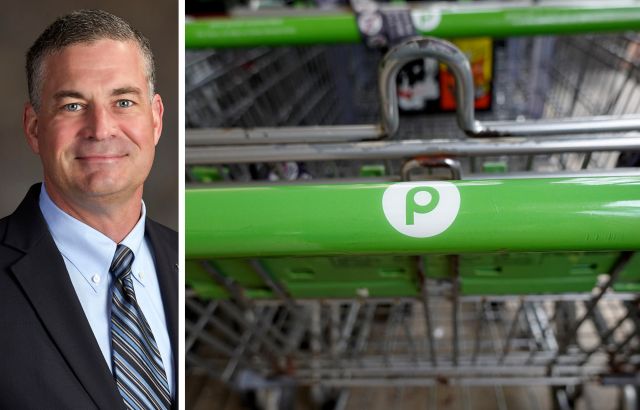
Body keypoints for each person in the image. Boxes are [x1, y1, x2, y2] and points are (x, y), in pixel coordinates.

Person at [0, 10, 177, 409]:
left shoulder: (184, 260)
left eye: (124, 101)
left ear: (156, 119)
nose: (101, 128)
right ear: (33, 127)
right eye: (73, 106)